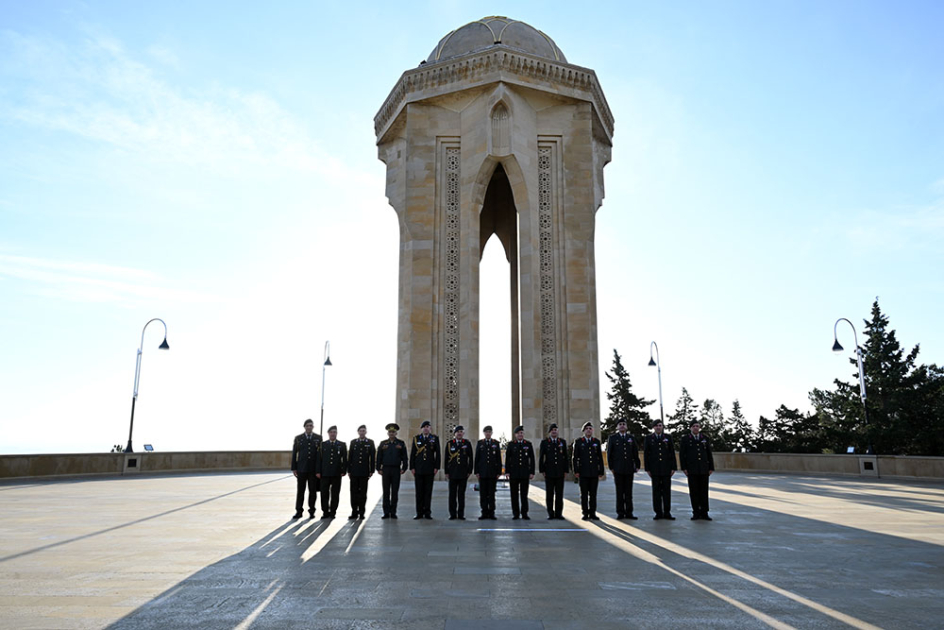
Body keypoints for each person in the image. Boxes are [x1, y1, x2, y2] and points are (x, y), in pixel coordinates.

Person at [679, 420, 714, 520]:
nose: (695, 428)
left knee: (704, 491)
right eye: (694, 426)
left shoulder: (705, 438)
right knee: (694, 491)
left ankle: (704, 512)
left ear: (699, 427)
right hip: (692, 469)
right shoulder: (685, 439)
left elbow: (709, 453)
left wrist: (711, 467)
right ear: (690, 428)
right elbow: (682, 455)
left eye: (697, 426)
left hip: (703, 469)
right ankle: (696, 512)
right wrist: (684, 468)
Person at [606, 418, 640, 520]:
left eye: (624, 424)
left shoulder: (631, 438)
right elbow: (609, 454)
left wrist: (637, 465)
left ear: (626, 426)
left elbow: (635, 452)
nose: (622, 426)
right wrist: (611, 467)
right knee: (620, 492)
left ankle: (629, 512)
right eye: (620, 424)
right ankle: (620, 512)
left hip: (629, 468)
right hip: (618, 469)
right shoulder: (613, 438)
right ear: (617, 427)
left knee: (629, 492)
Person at [644, 420, 677, 520]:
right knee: (656, 492)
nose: (658, 427)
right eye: (656, 426)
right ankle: (658, 512)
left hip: (666, 469)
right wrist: (647, 469)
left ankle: (667, 512)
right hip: (654, 469)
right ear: (653, 427)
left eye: (660, 425)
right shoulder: (649, 438)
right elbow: (646, 454)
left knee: (666, 491)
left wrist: (673, 467)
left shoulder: (668, 438)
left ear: (662, 427)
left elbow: (672, 453)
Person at [572, 421, 604, 521]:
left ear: (592, 430)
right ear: (583, 431)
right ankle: (585, 513)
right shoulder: (579, 442)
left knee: (593, 494)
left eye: (590, 428)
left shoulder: (596, 442)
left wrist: (601, 471)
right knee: (584, 494)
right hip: (583, 472)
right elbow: (575, 458)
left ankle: (593, 513)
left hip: (594, 472)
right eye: (587, 429)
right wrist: (576, 471)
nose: (589, 430)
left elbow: (600, 458)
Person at [409, 420, 440, 520]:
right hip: (418, 469)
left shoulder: (434, 438)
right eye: (424, 427)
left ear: (430, 428)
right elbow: (413, 454)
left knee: (428, 492)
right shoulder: (416, 439)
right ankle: (419, 513)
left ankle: (427, 512)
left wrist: (436, 467)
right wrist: (412, 467)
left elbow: (438, 454)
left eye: (427, 427)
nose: (426, 429)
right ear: (421, 429)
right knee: (419, 492)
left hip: (430, 469)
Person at [377, 423, 408, 519]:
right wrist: (378, 468)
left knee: (395, 491)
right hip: (386, 469)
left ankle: (393, 512)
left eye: (393, 432)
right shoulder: (383, 443)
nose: (391, 433)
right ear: (388, 433)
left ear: (396, 433)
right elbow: (379, 457)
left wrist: (404, 468)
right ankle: (386, 512)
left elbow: (404, 457)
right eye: (390, 432)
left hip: (396, 469)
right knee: (386, 491)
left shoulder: (400, 443)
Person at [291, 419, 320, 519]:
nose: (309, 427)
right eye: (307, 425)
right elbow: (294, 453)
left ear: (313, 427)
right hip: (301, 469)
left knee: (312, 491)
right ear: (304, 427)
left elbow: (320, 455)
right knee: (300, 491)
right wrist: (294, 468)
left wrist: (318, 470)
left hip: (313, 470)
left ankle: (312, 511)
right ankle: (299, 511)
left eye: (311, 425)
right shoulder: (298, 438)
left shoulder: (318, 438)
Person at [539, 423, 569, 520]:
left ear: (558, 431)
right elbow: (541, 457)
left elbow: (566, 457)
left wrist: (566, 470)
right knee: (550, 494)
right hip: (549, 472)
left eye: (555, 430)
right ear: (549, 432)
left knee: (559, 494)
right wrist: (542, 470)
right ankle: (550, 513)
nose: (554, 432)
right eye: (552, 430)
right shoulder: (545, 443)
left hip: (560, 472)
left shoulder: (562, 442)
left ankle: (559, 513)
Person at [505, 425, 535, 520]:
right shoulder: (511, 445)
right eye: (518, 433)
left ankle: (524, 513)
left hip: (524, 473)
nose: (520, 435)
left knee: (524, 494)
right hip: (514, 473)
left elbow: (532, 459)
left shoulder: (528, 444)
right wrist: (507, 472)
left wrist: (532, 472)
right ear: (515, 435)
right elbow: (508, 459)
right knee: (514, 494)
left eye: (521, 433)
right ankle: (516, 513)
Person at [318, 425, 347, 519]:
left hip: (336, 473)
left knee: (335, 493)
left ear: (336, 433)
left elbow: (344, 459)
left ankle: (333, 512)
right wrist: (318, 471)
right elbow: (319, 459)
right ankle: (325, 511)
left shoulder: (342, 445)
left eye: (334, 432)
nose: (332, 434)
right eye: (331, 432)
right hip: (325, 473)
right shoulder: (323, 444)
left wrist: (343, 470)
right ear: (328, 433)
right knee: (324, 493)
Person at [445, 425, 474, 520]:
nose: (459, 433)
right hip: (452, 473)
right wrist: (446, 471)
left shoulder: (467, 443)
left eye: (461, 432)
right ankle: (452, 514)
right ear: (455, 434)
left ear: (463, 433)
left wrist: (469, 470)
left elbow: (471, 458)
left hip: (463, 473)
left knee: (461, 495)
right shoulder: (450, 444)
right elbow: (446, 458)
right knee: (452, 495)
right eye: (458, 432)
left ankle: (461, 514)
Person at [347, 424, 375, 520]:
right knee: (353, 492)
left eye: (363, 431)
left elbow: (372, 457)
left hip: (364, 471)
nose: (362, 432)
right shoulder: (353, 442)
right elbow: (350, 457)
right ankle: (354, 512)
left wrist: (372, 470)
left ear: (366, 432)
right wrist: (349, 470)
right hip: (354, 471)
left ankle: (362, 512)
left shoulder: (370, 442)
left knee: (363, 493)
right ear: (358, 432)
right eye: (360, 431)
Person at [474, 425, 502, 520]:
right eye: (486, 432)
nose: (488, 433)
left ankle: (491, 512)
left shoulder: (495, 443)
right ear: (484, 433)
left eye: (489, 432)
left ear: (491, 433)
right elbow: (477, 459)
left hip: (492, 473)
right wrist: (476, 471)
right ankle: (484, 512)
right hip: (482, 473)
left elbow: (498, 459)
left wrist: (499, 472)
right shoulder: (480, 443)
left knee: (491, 494)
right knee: (483, 494)